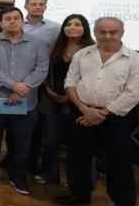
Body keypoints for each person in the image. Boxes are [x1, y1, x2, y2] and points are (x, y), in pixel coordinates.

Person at [59, 17, 139, 206]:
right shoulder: (82, 55)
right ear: (95, 33)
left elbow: (132, 93)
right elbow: (70, 82)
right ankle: (79, 194)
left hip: (115, 117)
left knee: (118, 164)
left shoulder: (136, 60)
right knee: (77, 156)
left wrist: (102, 113)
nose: (107, 36)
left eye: (113, 32)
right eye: (102, 32)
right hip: (82, 112)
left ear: (122, 33)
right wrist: (84, 109)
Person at [0, 6, 49, 195]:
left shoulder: (37, 44)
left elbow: (41, 69)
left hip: (24, 102)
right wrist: (12, 86)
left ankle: (18, 177)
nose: (12, 22)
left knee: (21, 143)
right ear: (0, 23)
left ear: (22, 21)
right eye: (7, 19)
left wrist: (21, 89)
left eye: (16, 18)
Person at [35, 14, 94, 185]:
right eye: (68, 24)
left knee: (79, 142)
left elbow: (92, 78)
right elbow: (45, 70)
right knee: (50, 139)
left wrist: (71, 96)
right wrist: (48, 90)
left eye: (77, 24)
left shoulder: (91, 51)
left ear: (84, 28)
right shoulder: (56, 47)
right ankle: (49, 173)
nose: (72, 27)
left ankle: (81, 181)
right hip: (52, 97)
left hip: (79, 100)